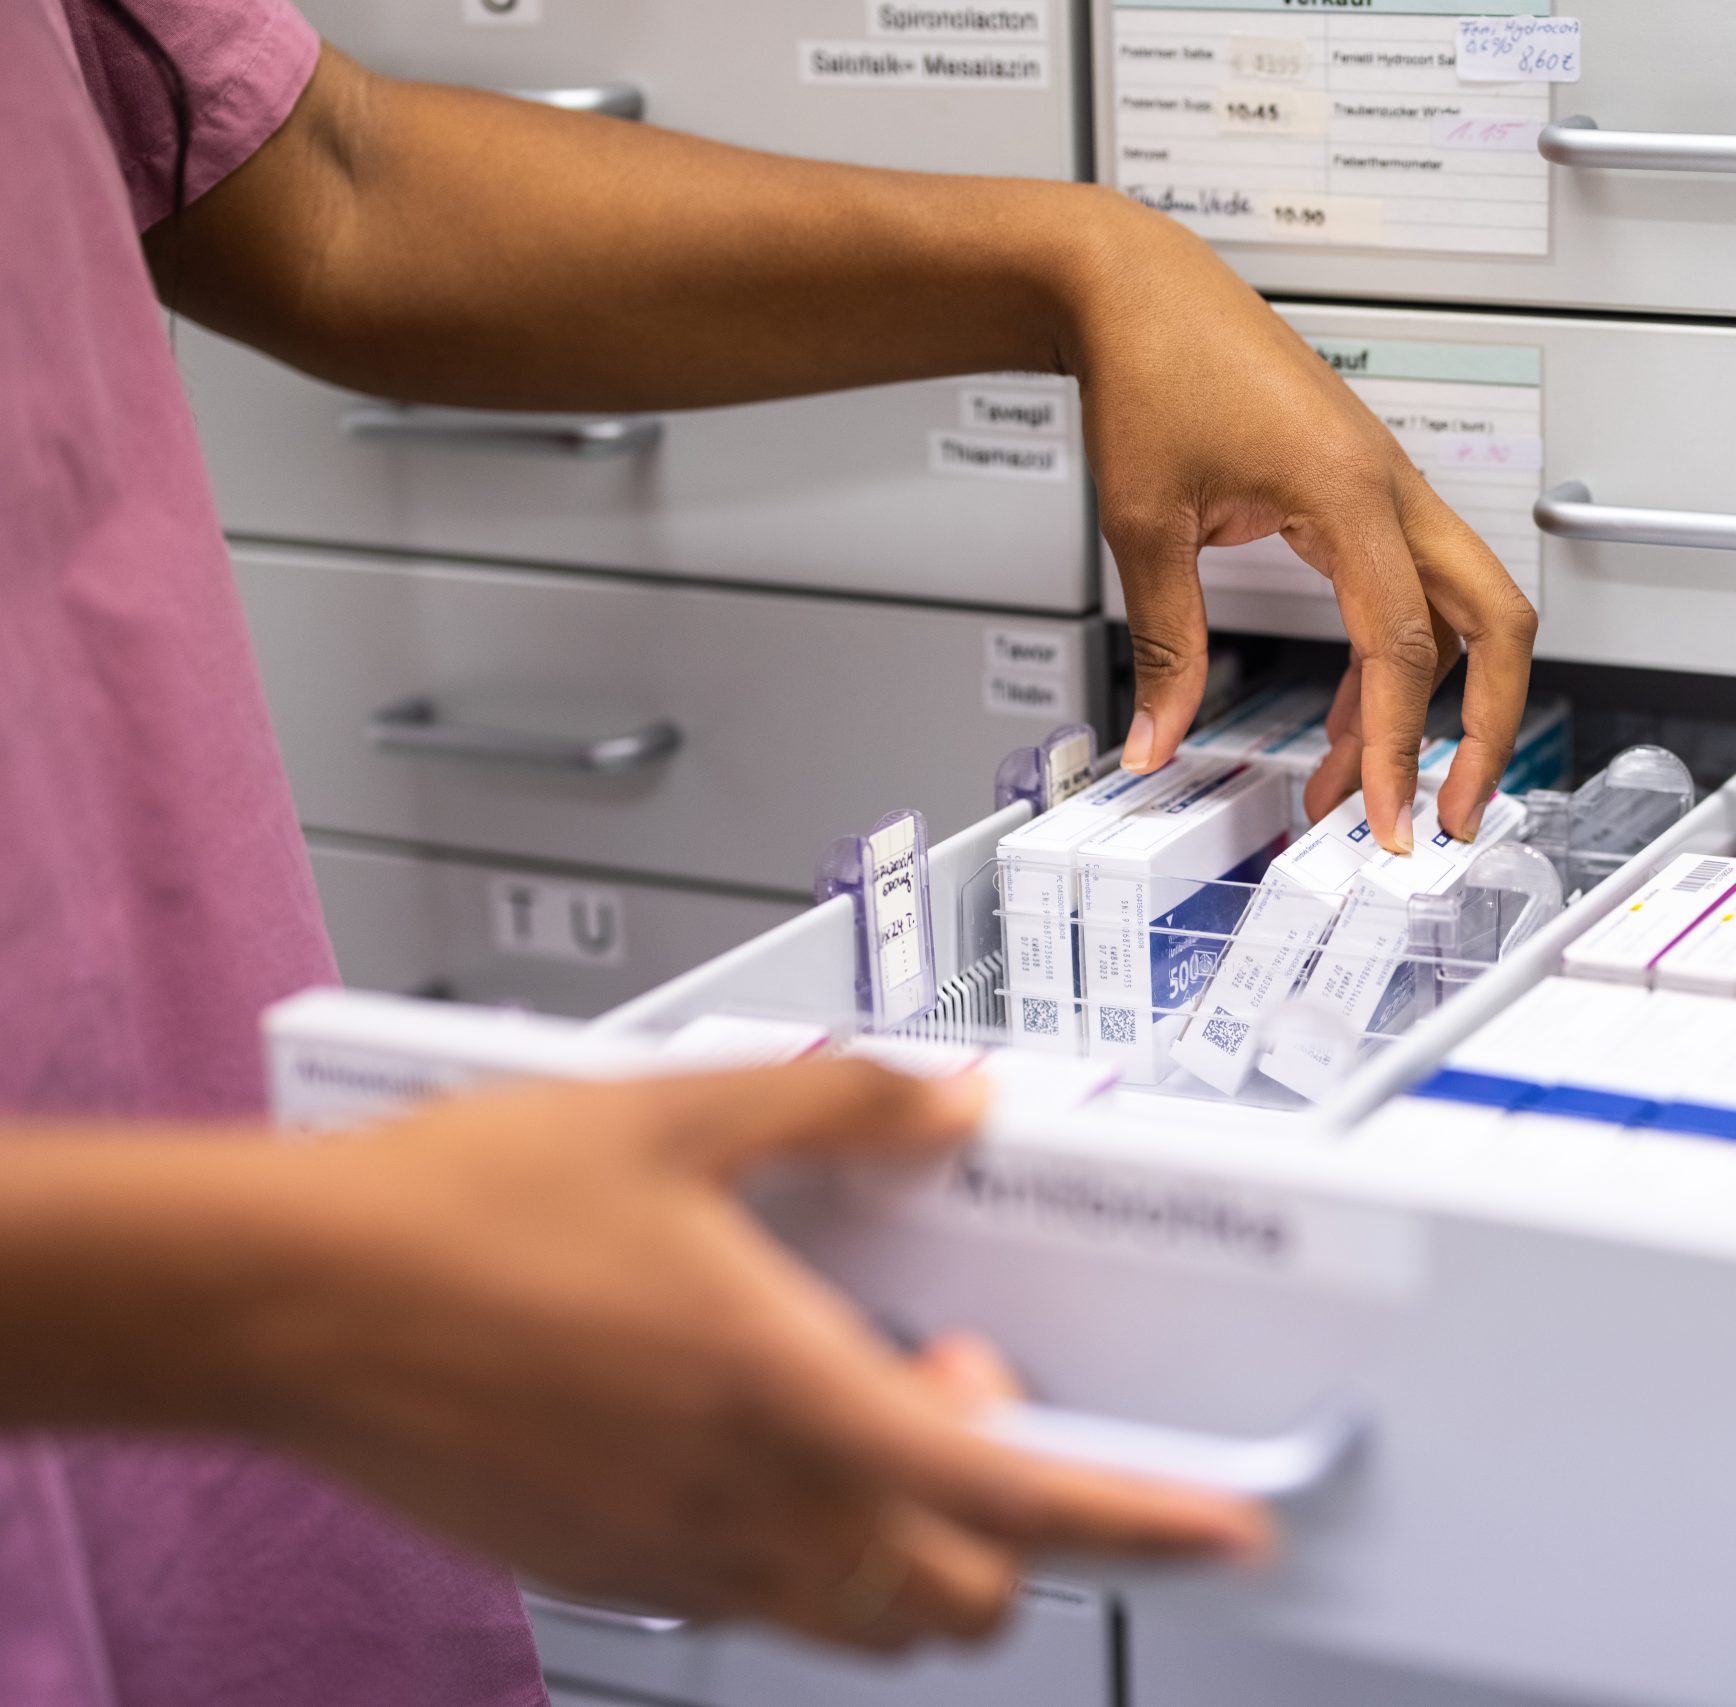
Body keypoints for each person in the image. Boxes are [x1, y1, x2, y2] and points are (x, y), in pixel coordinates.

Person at [1, 0, 1538, 1700]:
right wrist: (284, 1293)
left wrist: (1089, 263)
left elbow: (326, 186)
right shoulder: (284, 1301)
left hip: (160, 1234)